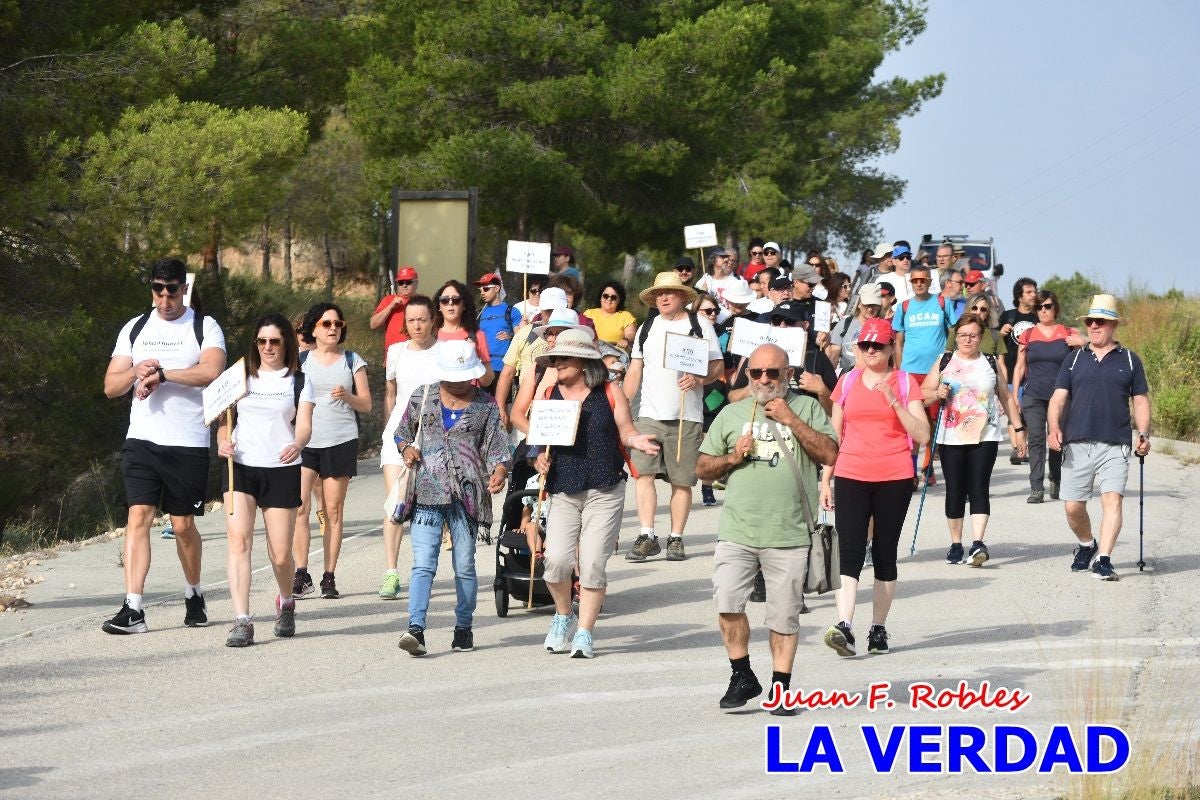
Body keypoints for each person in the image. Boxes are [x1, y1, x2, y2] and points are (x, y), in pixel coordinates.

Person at [697, 344, 838, 711]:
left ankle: (781, 687)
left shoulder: (806, 407)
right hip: (738, 530)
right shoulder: (731, 413)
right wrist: (732, 457)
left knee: (784, 616)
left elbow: (829, 454)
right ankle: (742, 674)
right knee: (727, 602)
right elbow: (702, 468)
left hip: (789, 532)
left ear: (788, 374)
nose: (763, 379)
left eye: (772, 372)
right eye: (756, 372)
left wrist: (791, 420)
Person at [101, 258, 227, 634]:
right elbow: (110, 387)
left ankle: (194, 592)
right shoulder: (136, 327)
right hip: (142, 439)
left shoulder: (204, 326)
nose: (165, 298)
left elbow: (212, 371)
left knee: (182, 525)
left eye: (172, 290)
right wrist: (134, 371)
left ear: (183, 289)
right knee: (138, 516)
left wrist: (164, 374)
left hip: (187, 441)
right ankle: (133, 608)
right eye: (158, 290)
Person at [531, 330, 661, 658]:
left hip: (605, 488)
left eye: (563, 358)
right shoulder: (548, 394)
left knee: (591, 563)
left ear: (583, 360)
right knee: (556, 562)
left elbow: (626, 430)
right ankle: (564, 616)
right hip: (562, 487)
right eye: (554, 358)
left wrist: (636, 440)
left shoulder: (609, 391)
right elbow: (539, 439)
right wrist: (539, 456)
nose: (557, 363)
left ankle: (585, 632)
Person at [820, 317, 930, 657]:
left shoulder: (905, 382)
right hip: (851, 473)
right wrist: (826, 479)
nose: (871, 351)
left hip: (894, 476)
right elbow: (834, 436)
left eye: (877, 345)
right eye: (865, 345)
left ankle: (878, 629)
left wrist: (894, 401)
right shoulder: (847, 381)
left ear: (890, 348)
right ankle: (845, 626)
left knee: (884, 553)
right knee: (849, 549)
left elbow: (923, 434)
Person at [394, 341, 510, 655]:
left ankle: (464, 628)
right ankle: (415, 629)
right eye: (451, 377)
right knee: (423, 564)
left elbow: (498, 448)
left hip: (468, 496)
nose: (456, 383)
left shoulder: (486, 406)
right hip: (426, 492)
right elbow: (401, 432)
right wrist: (406, 448)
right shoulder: (423, 395)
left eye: (462, 377)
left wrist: (499, 471)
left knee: (465, 565)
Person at [216, 314, 315, 646]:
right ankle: (242, 620)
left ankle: (286, 601)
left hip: (281, 468)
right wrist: (222, 441)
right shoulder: (239, 376)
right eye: (262, 341)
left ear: (285, 343)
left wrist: (297, 444)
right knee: (238, 541)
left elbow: (304, 424)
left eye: (274, 341)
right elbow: (223, 420)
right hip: (241, 468)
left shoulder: (299, 381)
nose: (268, 347)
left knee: (281, 554)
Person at [1048, 294, 1151, 581]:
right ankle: (1087, 544)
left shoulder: (1129, 360)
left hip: (1115, 443)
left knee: (1112, 500)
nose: (1094, 325)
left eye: (1100, 321)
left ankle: (1104, 559)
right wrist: (1053, 426)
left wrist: (1143, 433)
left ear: (1113, 325)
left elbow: (1140, 400)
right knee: (1072, 507)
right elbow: (1058, 398)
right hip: (1077, 441)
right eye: (1090, 321)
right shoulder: (1074, 359)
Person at [623, 271, 724, 562]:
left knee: (682, 481)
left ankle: (676, 538)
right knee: (643, 475)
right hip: (648, 414)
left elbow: (718, 365)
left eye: (669, 292)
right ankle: (647, 534)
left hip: (687, 415)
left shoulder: (700, 325)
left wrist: (700, 379)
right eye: (659, 294)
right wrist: (622, 406)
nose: (663, 298)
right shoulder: (646, 328)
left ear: (682, 295)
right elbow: (635, 370)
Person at [921, 314, 1024, 567]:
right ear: (956, 336)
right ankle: (956, 544)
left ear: (981, 337)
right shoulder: (945, 361)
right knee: (955, 490)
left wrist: (1018, 428)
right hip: (951, 436)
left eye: (973, 335)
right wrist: (937, 393)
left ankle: (978, 543)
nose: (967, 340)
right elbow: (922, 394)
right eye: (963, 335)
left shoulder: (989, 362)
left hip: (985, 435)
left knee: (979, 487)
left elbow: (1005, 396)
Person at [291, 303, 371, 600]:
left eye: (338, 324)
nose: (333, 328)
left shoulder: (352, 360)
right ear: (313, 329)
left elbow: (366, 404)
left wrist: (348, 396)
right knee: (299, 506)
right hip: (305, 442)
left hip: (340, 440)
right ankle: (301, 573)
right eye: (326, 324)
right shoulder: (300, 361)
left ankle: (329, 576)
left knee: (333, 511)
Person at [378, 295, 439, 598]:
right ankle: (391, 572)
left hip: (433, 438)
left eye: (422, 320)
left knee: (427, 508)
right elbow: (391, 393)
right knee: (396, 503)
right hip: (398, 436)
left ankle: (422, 570)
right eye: (411, 320)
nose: (417, 326)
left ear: (432, 320)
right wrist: (390, 428)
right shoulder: (396, 352)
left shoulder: (444, 352)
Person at [1011, 290, 1075, 503]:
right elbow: (1020, 367)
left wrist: (1082, 341)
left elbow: (1087, 355)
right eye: (1039, 307)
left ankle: (1056, 479)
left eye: (1047, 306)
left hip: (1061, 396)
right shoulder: (1028, 335)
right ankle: (1036, 488)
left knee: (1057, 439)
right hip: (1034, 395)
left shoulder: (1067, 332)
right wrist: (1015, 395)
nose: (1043, 310)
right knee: (1036, 440)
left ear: (1055, 307)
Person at [998, 277, 1039, 464]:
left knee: (1026, 412)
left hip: (1032, 374)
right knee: (1013, 410)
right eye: (1029, 292)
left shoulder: (1038, 317)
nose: (1033, 295)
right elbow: (995, 342)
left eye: (1035, 291)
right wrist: (1001, 333)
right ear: (1019, 296)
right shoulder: (1008, 316)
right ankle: (1017, 449)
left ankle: (1023, 447)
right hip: (1010, 371)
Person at [433, 279, 495, 387]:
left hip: (469, 395)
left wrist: (474, 358)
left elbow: (487, 381)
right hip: (438, 395)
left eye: (456, 299)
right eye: (444, 300)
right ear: (439, 306)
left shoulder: (477, 335)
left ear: (464, 305)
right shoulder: (431, 335)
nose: (450, 303)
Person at [475, 272, 523, 382]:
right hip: (482, 367)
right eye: (480, 289)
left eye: (486, 289)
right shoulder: (479, 313)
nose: (482, 292)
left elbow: (519, 338)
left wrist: (510, 335)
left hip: (504, 368)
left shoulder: (511, 311)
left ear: (497, 288)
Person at [828, 283, 882, 374]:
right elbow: (834, 356)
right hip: (847, 377)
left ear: (879, 306)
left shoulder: (883, 327)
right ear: (859, 304)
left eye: (873, 305)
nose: (870, 309)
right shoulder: (843, 325)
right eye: (866, 305)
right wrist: (830, 379)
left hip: (875, 378)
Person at [369, 266, 419, 349]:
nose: (404, 285)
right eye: (401, 282)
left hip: (415, 352)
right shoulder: (389, 300)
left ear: (416, 283)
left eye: (408, 282)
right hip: (393, 353)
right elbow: (373, 324)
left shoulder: (422, 302)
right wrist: (391, 306)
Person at [583, 280, 637, 350]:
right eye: (605, 296)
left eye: (613, 297)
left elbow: (631, 334)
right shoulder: (589, 313)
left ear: (619, 300)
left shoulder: (626, 316)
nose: (609, 299)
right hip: (592, 351)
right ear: (600, 298)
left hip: (616, 353)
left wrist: (626, 340)